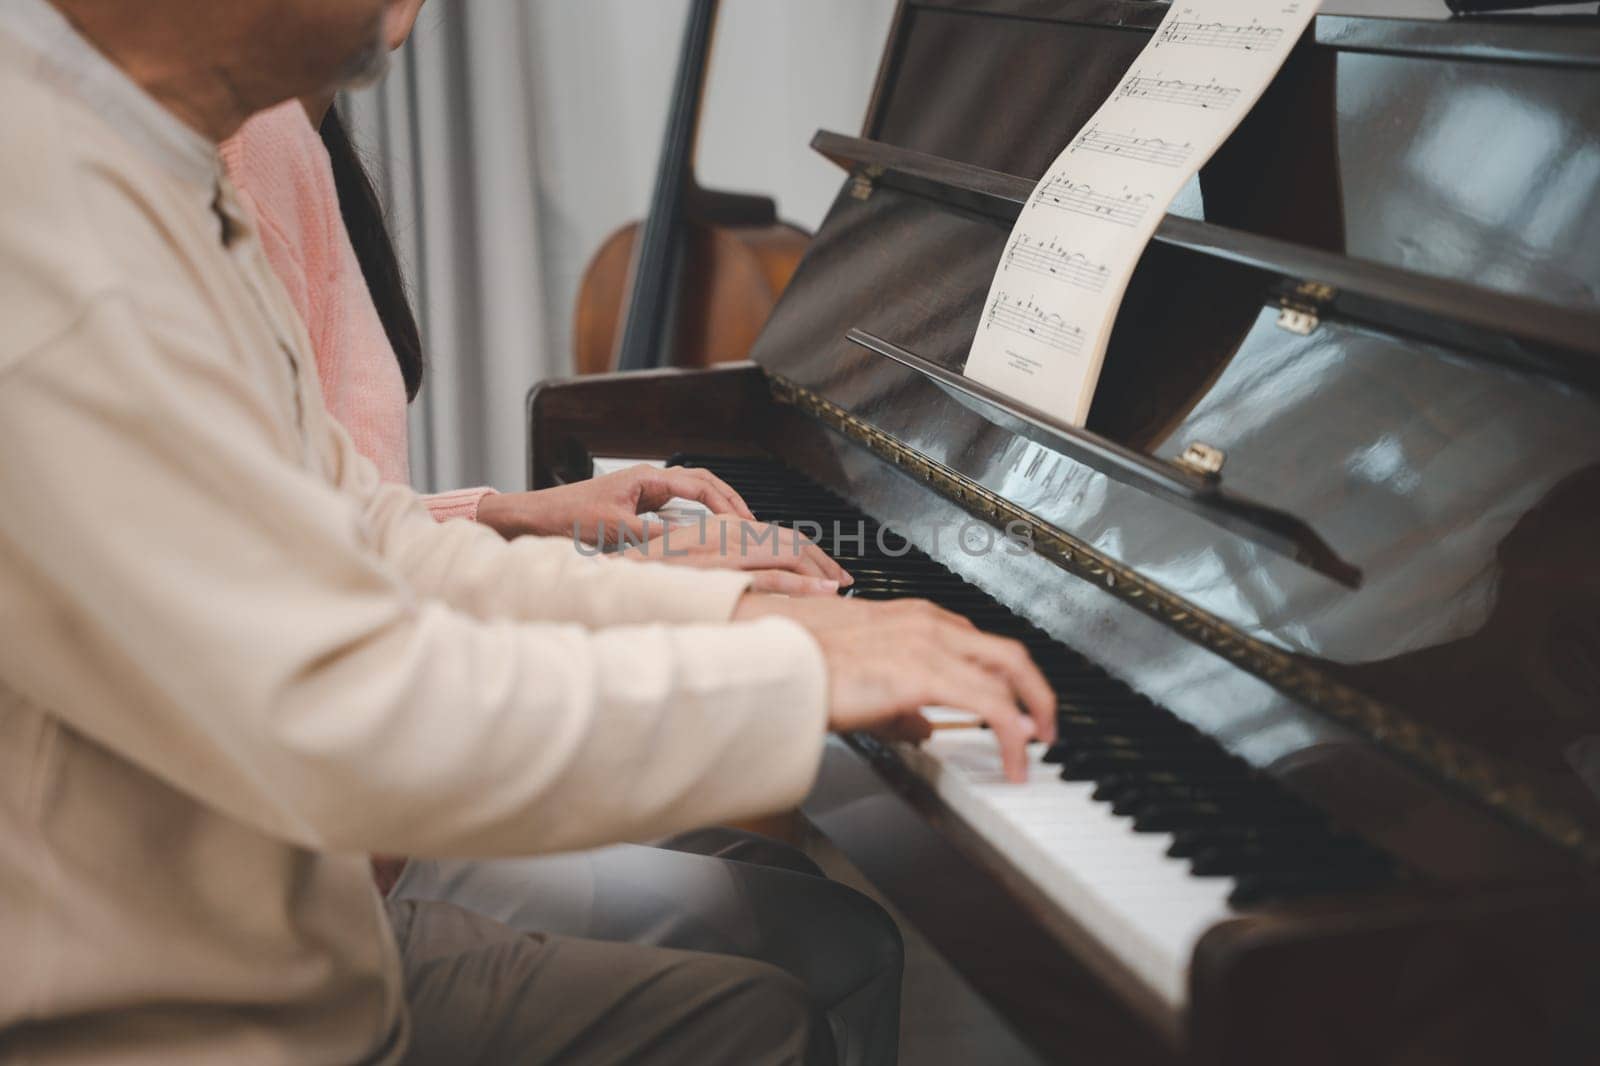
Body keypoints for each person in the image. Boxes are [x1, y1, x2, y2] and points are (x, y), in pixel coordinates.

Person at [0, 2, 1057, 1065]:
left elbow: (377, 540)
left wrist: (733, 608)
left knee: (758, 1009)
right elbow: (353, 714)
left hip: (295, 948)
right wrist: (786, 680)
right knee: (766, 1004)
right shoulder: (56, 232)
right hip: (190, 1020)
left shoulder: (147, 162)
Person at [216, 7, 900, 1061]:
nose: (411, 15)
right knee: (826, 945)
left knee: (802, 900)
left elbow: (314, 515)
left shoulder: (268, 143)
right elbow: (307, 593)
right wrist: (721, 644)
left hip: (352, 827)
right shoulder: (240, 153)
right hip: (324, 876)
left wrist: (500, 514)